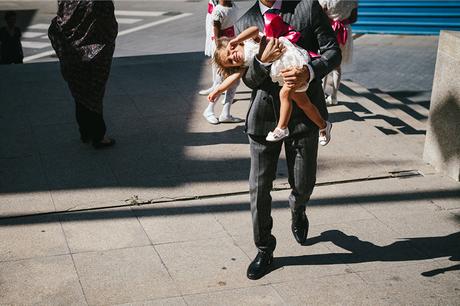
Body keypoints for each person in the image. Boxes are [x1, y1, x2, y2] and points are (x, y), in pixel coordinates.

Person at [234, 0, 341, 280]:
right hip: (264, 117)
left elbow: (332, 52)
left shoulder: (306, 7)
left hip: (305, 113)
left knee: (304, 183)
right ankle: (264, 248)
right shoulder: (247, 21)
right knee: (258, 188)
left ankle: (298, 207)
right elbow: (248, 79)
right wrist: (261, 62)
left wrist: (310, 70)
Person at [209, 26, 332, 145]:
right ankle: (323, 125)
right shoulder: (244, 64)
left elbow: (255, 30)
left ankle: (282, 128)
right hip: (286, 74)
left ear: (233, 44)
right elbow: (232, 78)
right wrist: (218, 90)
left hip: (291, 60)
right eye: (230, 61)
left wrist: (237, 39)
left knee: (284, 94)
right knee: (304, 103)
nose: (232, 56)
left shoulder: (249, 42)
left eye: (230, 51)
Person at [48, 1, 118, 149]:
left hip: (71, 51)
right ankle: (99, 136)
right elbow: (107, 24)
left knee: (79, 91)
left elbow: (61, 21)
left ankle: (85, 133)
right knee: (94, 92)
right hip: (96, 52)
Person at [201, 0, 244, 124]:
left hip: (232, 47)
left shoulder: (234, 6)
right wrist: (222, 52)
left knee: (234, 82)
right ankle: (209, 110)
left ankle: (226, 113)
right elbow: (216, 34)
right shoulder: (218, 11)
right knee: (220, 82)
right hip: (224, 52)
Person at [319, 0, 358, 105]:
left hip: (328, 30)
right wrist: (342, 20)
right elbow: (354, 19)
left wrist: (333, 20)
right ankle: (334, 97)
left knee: (324, 61)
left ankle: (321, 95)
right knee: (337, 65)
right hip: (344, 31)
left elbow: (320, 15)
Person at [198, 0, 219, 96]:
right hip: (212, 15)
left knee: (219, 57)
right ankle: (216, 84)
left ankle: (219, 85)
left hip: (218, 16)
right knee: (215, 57)